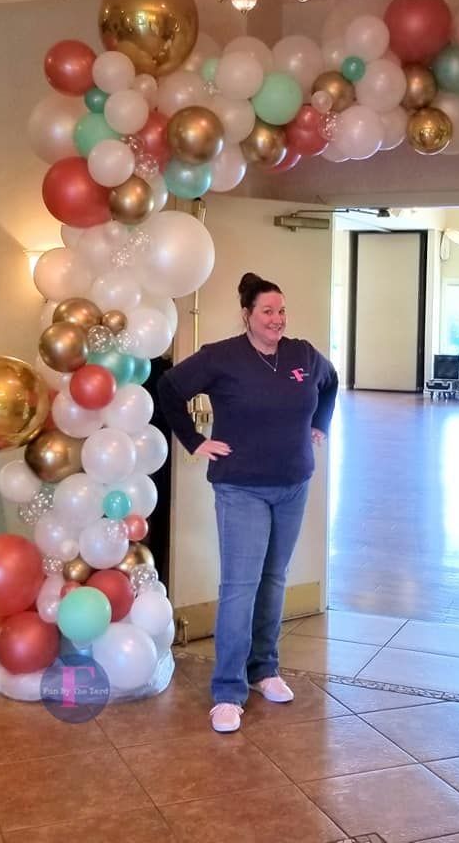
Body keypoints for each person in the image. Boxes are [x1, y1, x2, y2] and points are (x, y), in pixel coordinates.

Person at [158, 272, 338, 733]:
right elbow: (169, 389)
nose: (277, 319)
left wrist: (321, 423)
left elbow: (331, 382)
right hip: (241, 488)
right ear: (247, 315)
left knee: (274, 579)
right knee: (241, 587)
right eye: (267, 311)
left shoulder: (302, 355)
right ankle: (227, 691)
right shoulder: (221, 357)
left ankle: (264, 670)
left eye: (281, 311)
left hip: (293, 484)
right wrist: (195, 440)